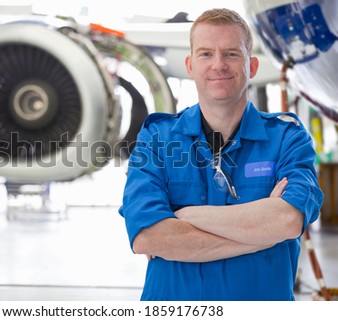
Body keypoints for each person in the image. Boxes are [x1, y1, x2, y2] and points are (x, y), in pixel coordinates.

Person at [119, 8, 324, 301]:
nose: (218, 65)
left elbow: (289, 221)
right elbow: (147, 236)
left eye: (231, 54)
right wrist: (261, 236)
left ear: (251, 66)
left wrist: (186, 217)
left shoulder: (287, 138)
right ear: (189, 65)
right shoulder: (157, 138)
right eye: (205, 54)